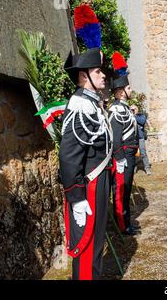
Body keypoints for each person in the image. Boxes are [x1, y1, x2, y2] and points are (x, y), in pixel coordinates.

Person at [59, 48, 112, 280]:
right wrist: (76, 198)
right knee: (87, 243)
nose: (103, 76)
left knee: (97, 240)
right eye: (98, 71)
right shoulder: (80, 104)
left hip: (99, 180)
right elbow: (69, 156)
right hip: (88, 186)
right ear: (83, 76)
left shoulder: (92, 103)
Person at [108, 52, 139, 236]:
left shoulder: (125, 108)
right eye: (129, 87)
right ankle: (122, 225)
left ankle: (126, 222)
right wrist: (119, 159)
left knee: (126, 190)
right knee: (120, 191)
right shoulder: (116, 110)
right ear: (121, 91)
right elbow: (116, 137)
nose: (131, 90)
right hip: (122, 156)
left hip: (129, 154)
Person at [131, 105, 152, 175]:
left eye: (134, 109)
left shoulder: (141, 116)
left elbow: (142, 122)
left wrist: (134, 115)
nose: (133, 110)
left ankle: (147, 168)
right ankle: (133, 169)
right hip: (132, 138)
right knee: (133, 154)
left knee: (143, 153)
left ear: (137, 109)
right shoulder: (129, 116)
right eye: (131, 109)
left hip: (140, 138)